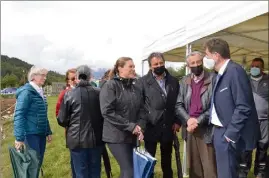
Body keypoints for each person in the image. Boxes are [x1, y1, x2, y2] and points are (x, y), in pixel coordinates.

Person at [203, 38, 260, 178]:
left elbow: (243, 106)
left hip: (228, 133)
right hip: (219, 130)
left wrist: (230, 134)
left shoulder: (235, 72)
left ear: (216, 55)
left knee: (227, 174)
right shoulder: (219, 74)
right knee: (224, 172)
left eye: (207, 55)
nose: (205, 59)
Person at [100, 57, 147, 178]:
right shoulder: (110, 86)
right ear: (120, 68)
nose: (133, 69)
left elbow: (142, 109)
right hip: (116, 136)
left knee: (132, 170)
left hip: (132, 135)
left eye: (134, 66)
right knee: (129, 170)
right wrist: (131, 126)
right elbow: (107, 111)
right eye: (130, 66)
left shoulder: (135, 87)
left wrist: (140, 127)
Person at [138, 52, 181, 178]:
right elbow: (140, 105)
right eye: (155, 64)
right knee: (149, 161)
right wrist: (142, 124)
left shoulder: (173, 81)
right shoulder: (143, 82)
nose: (159, 66)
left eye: (161, 63)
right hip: (151, 126)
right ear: (150, 66)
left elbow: (178, 102)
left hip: (168, 126)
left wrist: (178, 121)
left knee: (167, 162)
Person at [175, 51, 217, 178]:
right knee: (194, 167)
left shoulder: (213, 79)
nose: (196, 65)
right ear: (188, 66)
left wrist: (198, 120)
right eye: (193, 63)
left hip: (207, 128)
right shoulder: (184, 81)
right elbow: (178, 104)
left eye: (199, 62)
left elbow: (215, 106)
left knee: (210, 167)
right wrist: (188, 120)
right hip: (190, 128)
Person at [57, 65, 104, 178]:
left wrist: (72, 122)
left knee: (80, 172)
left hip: (76, 140)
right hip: (96, 139)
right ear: (90, 77)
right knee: (95, 171)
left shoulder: (69, 94)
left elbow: (62, 119)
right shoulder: (99, 93)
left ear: (77, 77)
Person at [14, 66, 52, 173]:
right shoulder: (27, 92)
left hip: (40, 133)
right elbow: (19, 115)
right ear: (33, 77)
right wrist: (19, 137)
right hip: (30, 134)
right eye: (43, 75)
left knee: (37, 163)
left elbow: (43, 114)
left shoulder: (40, 92)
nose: (45, 78)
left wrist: (48, 131)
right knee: (31, 165)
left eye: (45, 75)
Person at [239, 58, 269, 178]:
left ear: (262, 68)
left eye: (257, 66)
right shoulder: (244, 80)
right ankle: (243, 172)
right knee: (247, 148)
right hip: (248, 121)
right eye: (252, 66)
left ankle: (260, 172)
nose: (254, 68)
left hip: (264, 121)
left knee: (263, 147)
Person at [55, 68, 77, 177]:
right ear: (68, 81)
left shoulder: (87, 90)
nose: (75, 80)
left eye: (77, 77)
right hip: (72, 130)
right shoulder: (64, 94)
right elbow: (58, 113)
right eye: (73, 78)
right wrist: (70, 123)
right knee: (75, 156)